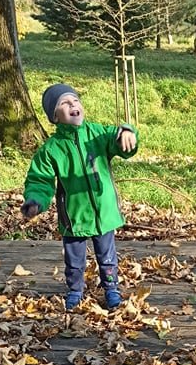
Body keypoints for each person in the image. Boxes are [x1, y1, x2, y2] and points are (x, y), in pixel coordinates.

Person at [22, 83, 138, 310]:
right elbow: (40, 180)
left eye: (75, 100)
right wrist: (35, 201)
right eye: (64, 103)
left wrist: (126, 132)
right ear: (55, 116)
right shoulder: (51, 149)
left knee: (107, 258)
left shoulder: (96, 134)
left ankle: (111, 289)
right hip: (74, 216)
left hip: (103, 212)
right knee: (74, 261)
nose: (72, 105)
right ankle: (75, 290)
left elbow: (117, 138)